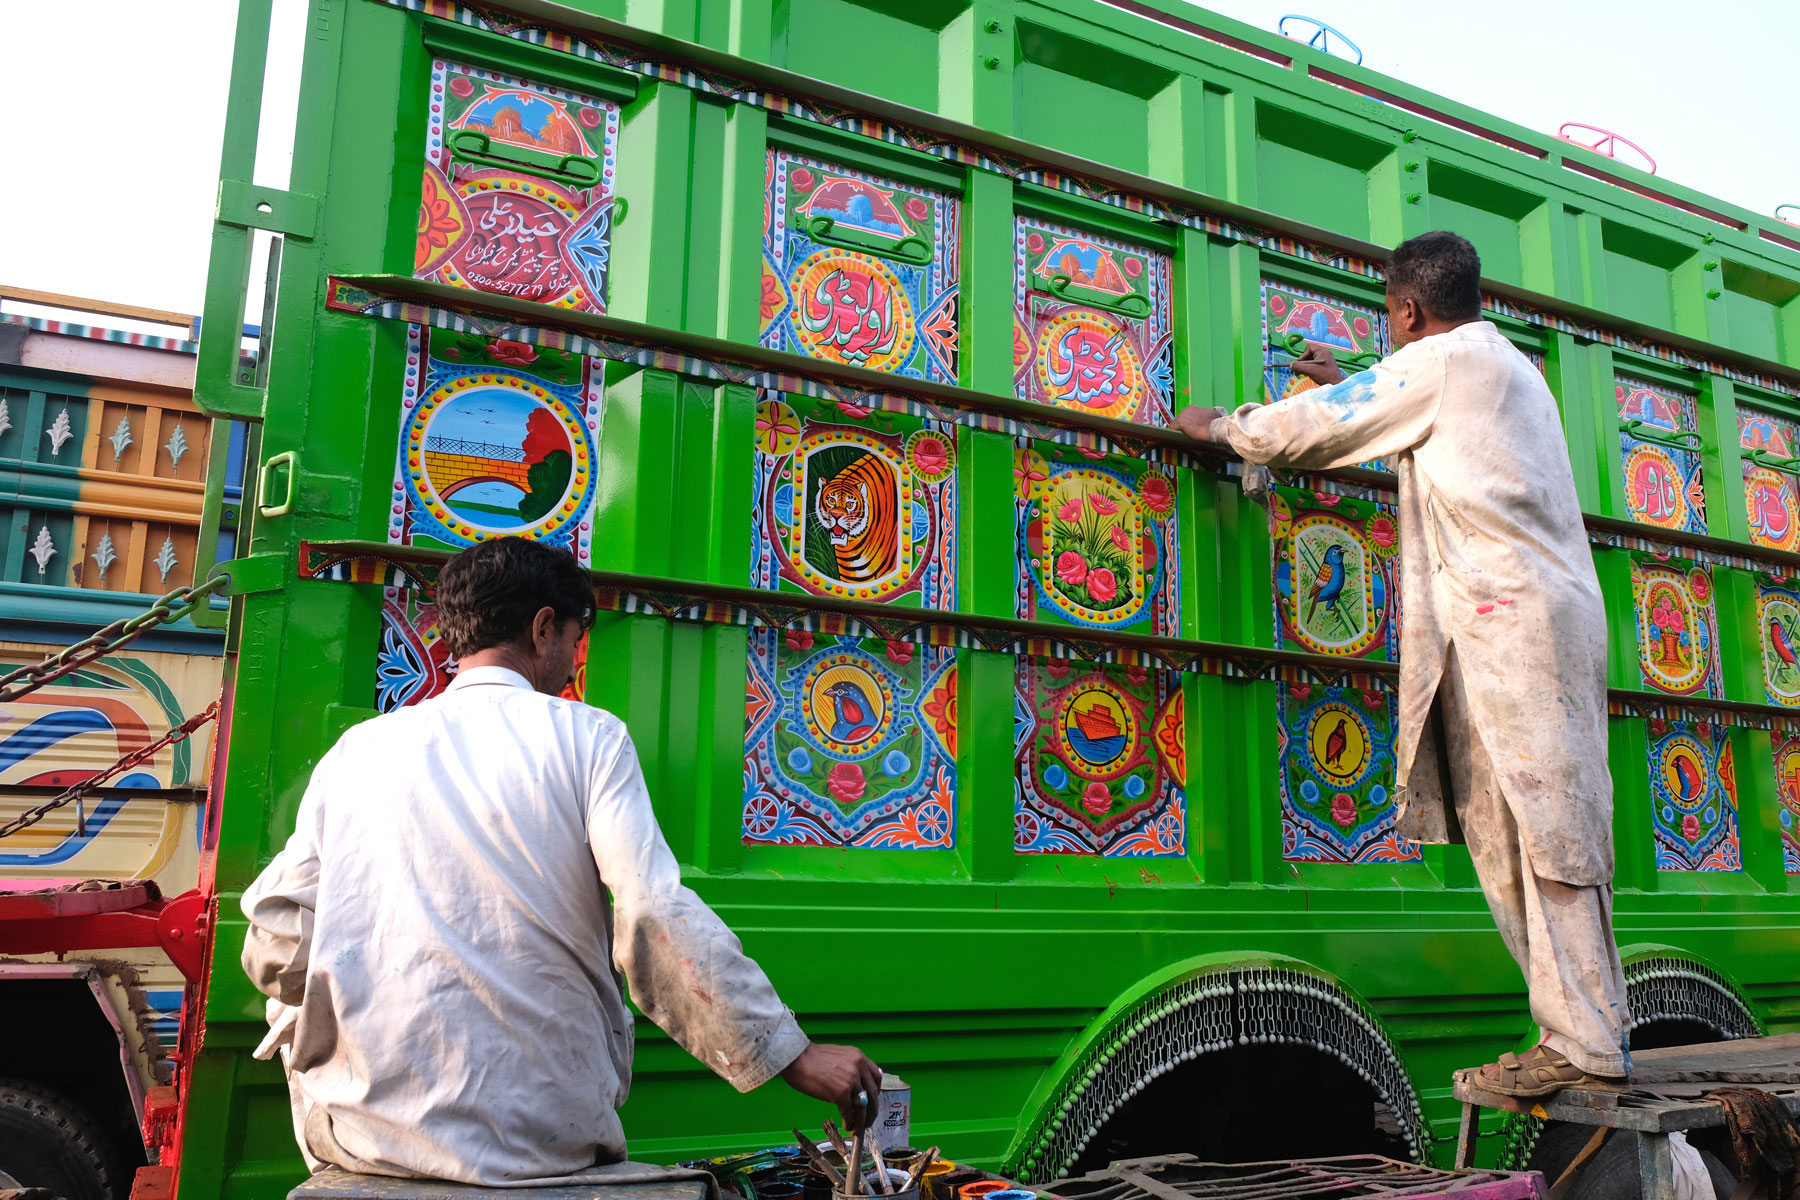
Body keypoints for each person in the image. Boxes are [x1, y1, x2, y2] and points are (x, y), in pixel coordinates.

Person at [241, 536, 883, 1183]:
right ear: (544, 627)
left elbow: (276, 937)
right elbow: (652, 914)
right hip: (541, 1140)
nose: (574, 664)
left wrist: (357, 1004)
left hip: (368, 1136)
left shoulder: (362, 749)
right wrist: (790, 1055)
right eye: (577, 640)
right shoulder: (588, 736)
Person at [1174, 231, 1630, 1097]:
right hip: (1523, 619)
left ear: (1409, 310)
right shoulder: (1504, 364)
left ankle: (1589, 1040)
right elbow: (1402, 410)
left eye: (1392, 316)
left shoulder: (1446, 364)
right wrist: (1344, 375)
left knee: (1547, 832)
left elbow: (1308, 429)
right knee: (1509, 827)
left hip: (1515, 623)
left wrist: (1224, 428)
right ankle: (1573, 1028)